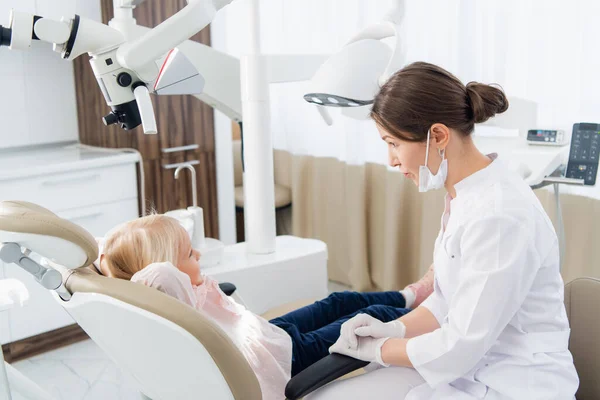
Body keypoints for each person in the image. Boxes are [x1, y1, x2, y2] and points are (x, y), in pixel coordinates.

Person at [320, 62, 579, 399]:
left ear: (438, 136)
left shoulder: (500, 215)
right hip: (470, 369)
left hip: (517, 382)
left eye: (394, 143)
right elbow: (447, 302)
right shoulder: (465, 196)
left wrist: (379, 349)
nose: (391, 160)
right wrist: (393, 328)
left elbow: (461, 343)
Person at [96, 214, 434, 400]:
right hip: (286, 358)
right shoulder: (171, 291)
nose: (197, 256)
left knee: (337, 300)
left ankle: (410, 295)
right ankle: (434, 311)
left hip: (268, 335)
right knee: (369, 319)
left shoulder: (186, 287)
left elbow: (162, 267)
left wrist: (109, 255)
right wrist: (111, 262)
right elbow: (159, 273)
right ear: (165, 265)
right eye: (188, 254)